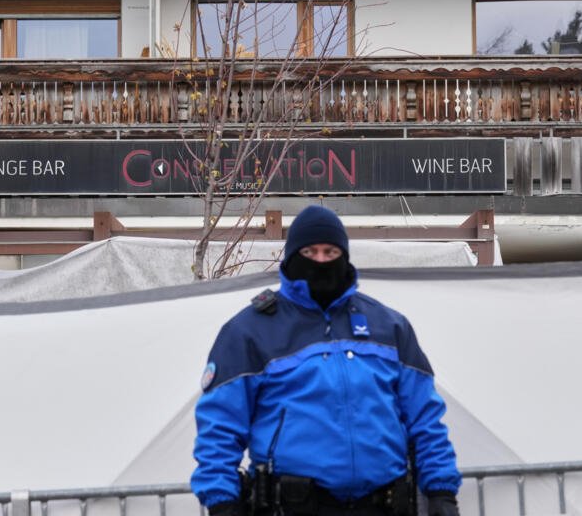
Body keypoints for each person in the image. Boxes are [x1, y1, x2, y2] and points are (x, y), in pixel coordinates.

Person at [191, 205, 461, 516]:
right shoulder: (249, 331)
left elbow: (425, 420)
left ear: (344, 256)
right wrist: (222, 503)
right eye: (310, 251)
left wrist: (442, 492)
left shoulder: (389, 326)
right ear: (292, 255)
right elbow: (219, 430)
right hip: (291, 506)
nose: (320, 260)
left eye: (330, 252)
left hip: (384, 505)